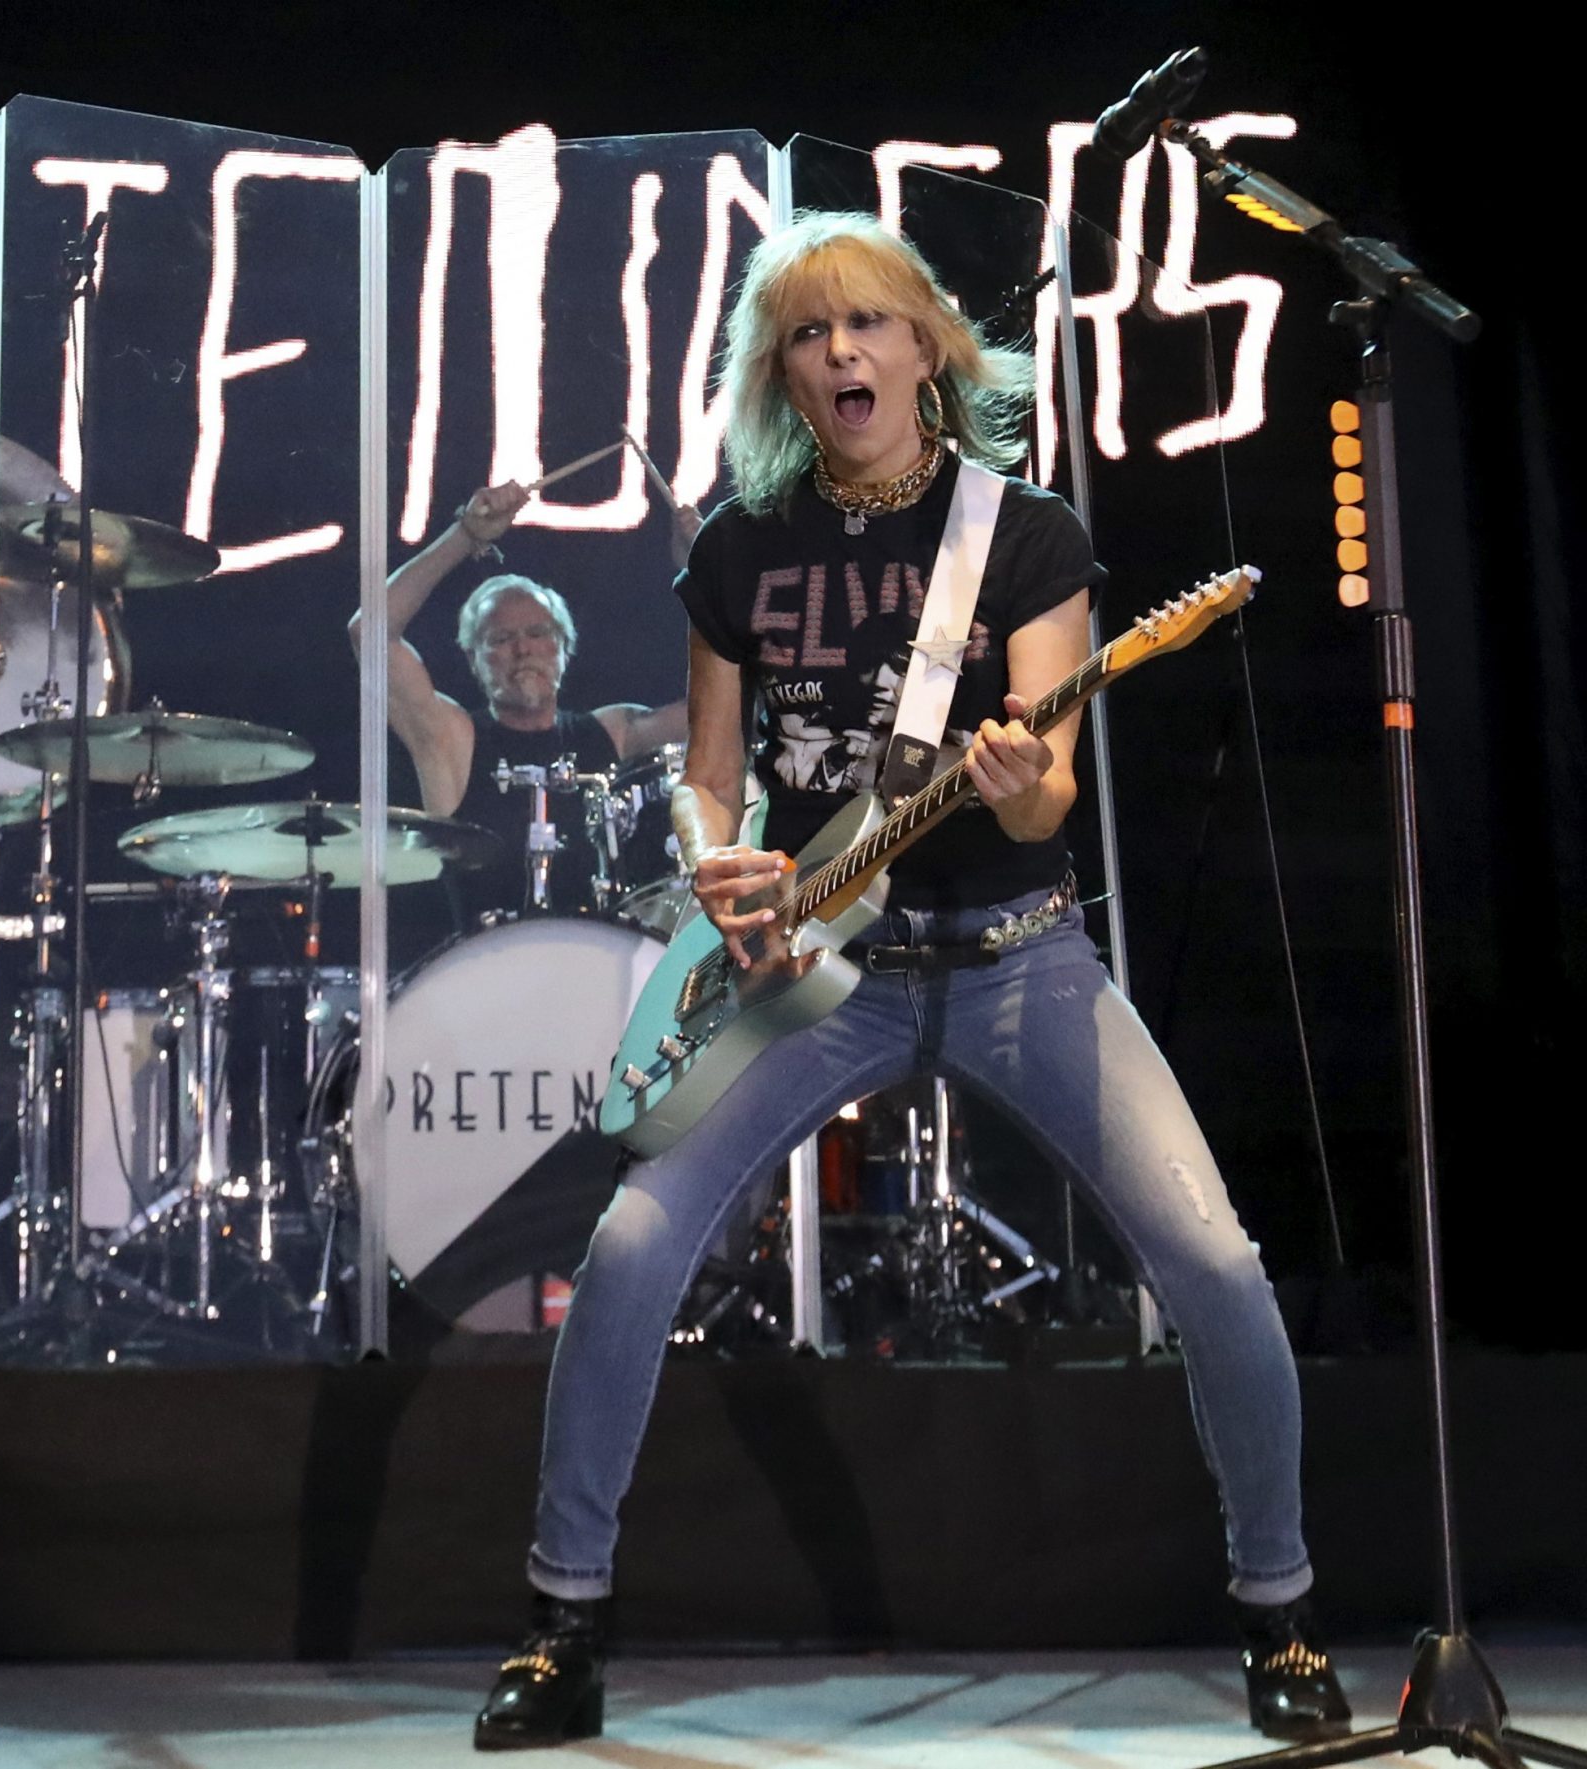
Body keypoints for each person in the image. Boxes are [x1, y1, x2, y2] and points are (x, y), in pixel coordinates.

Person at [472, 213, 1348, 1750]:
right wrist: (716, 859)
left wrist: (1013, 774)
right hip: (818, 970)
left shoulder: (1022, 538)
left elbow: (1047, 794)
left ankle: (1280, 1610)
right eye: (809, 336)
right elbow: (709, 775)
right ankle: (561, 1623)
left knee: (1212, 1263)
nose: (840, 354)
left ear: (929, 345)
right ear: (782, 376)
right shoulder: (740, 552)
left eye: (867, 323)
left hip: (1021, 960)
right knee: (627, 1249)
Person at [349, 483, 695, 919]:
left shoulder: (613, 732)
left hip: (600, 970)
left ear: (564, 649)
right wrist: (466, 535)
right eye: (500, 638)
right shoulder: (450, 740)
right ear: (474, 659)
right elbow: (369, 632)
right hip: (483, 975)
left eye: (537, 633)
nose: (523, 649)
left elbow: (727, 710)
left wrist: (700, 579)